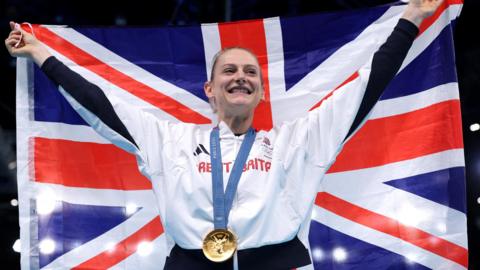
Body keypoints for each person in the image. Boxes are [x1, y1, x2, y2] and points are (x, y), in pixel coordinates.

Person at [5, 0, 444, 269]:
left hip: (277, 265)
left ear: (260, 91)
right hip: (188, 266)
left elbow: (365, 87)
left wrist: (411, 18)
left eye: (250, 72)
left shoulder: (297, 142)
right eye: (229, 71)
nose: (241, 77)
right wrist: (39, 51)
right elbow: (97, 101)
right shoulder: (169, 140)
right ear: (210, 90)